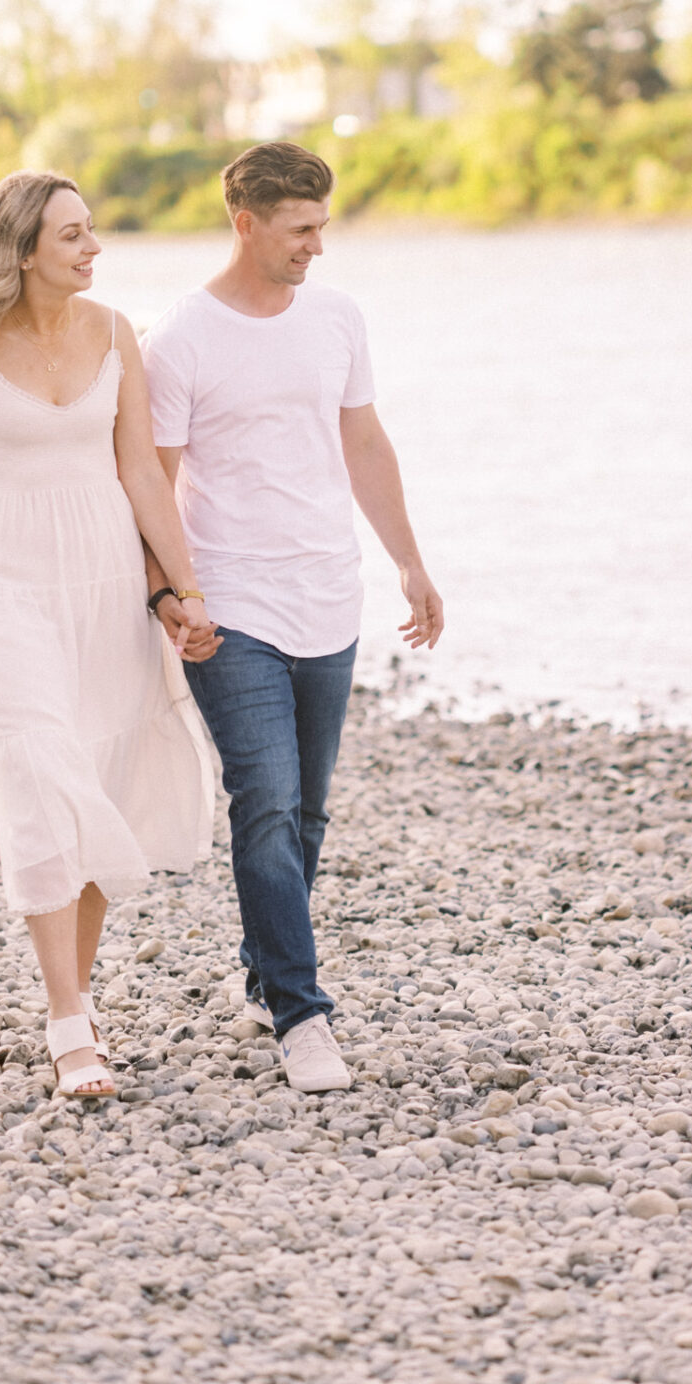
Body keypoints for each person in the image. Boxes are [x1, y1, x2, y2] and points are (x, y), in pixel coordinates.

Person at [0, 169, 222, 1101]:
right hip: (3, 585)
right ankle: (68, 1025)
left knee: (100, 776)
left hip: (106, 583)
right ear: (25, 247)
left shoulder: (118, 333)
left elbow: (144, 476)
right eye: (73, 235)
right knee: (41, 766)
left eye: (92, 231)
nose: (93, 247)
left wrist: (186, 591)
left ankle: (72, 1001)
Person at [140, 140, 442, 1096]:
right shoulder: (180, 339)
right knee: (263, 801)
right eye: (300, 228)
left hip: (329, 593)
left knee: (307, 810)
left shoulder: (337, 318)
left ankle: (266, 975)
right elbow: (156, 484)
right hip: (230, 606)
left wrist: (410, 561)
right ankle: (304, 1015)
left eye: (323, 225)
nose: (318, 245)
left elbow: (363, 441)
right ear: (247, 222)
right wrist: (171, 598)